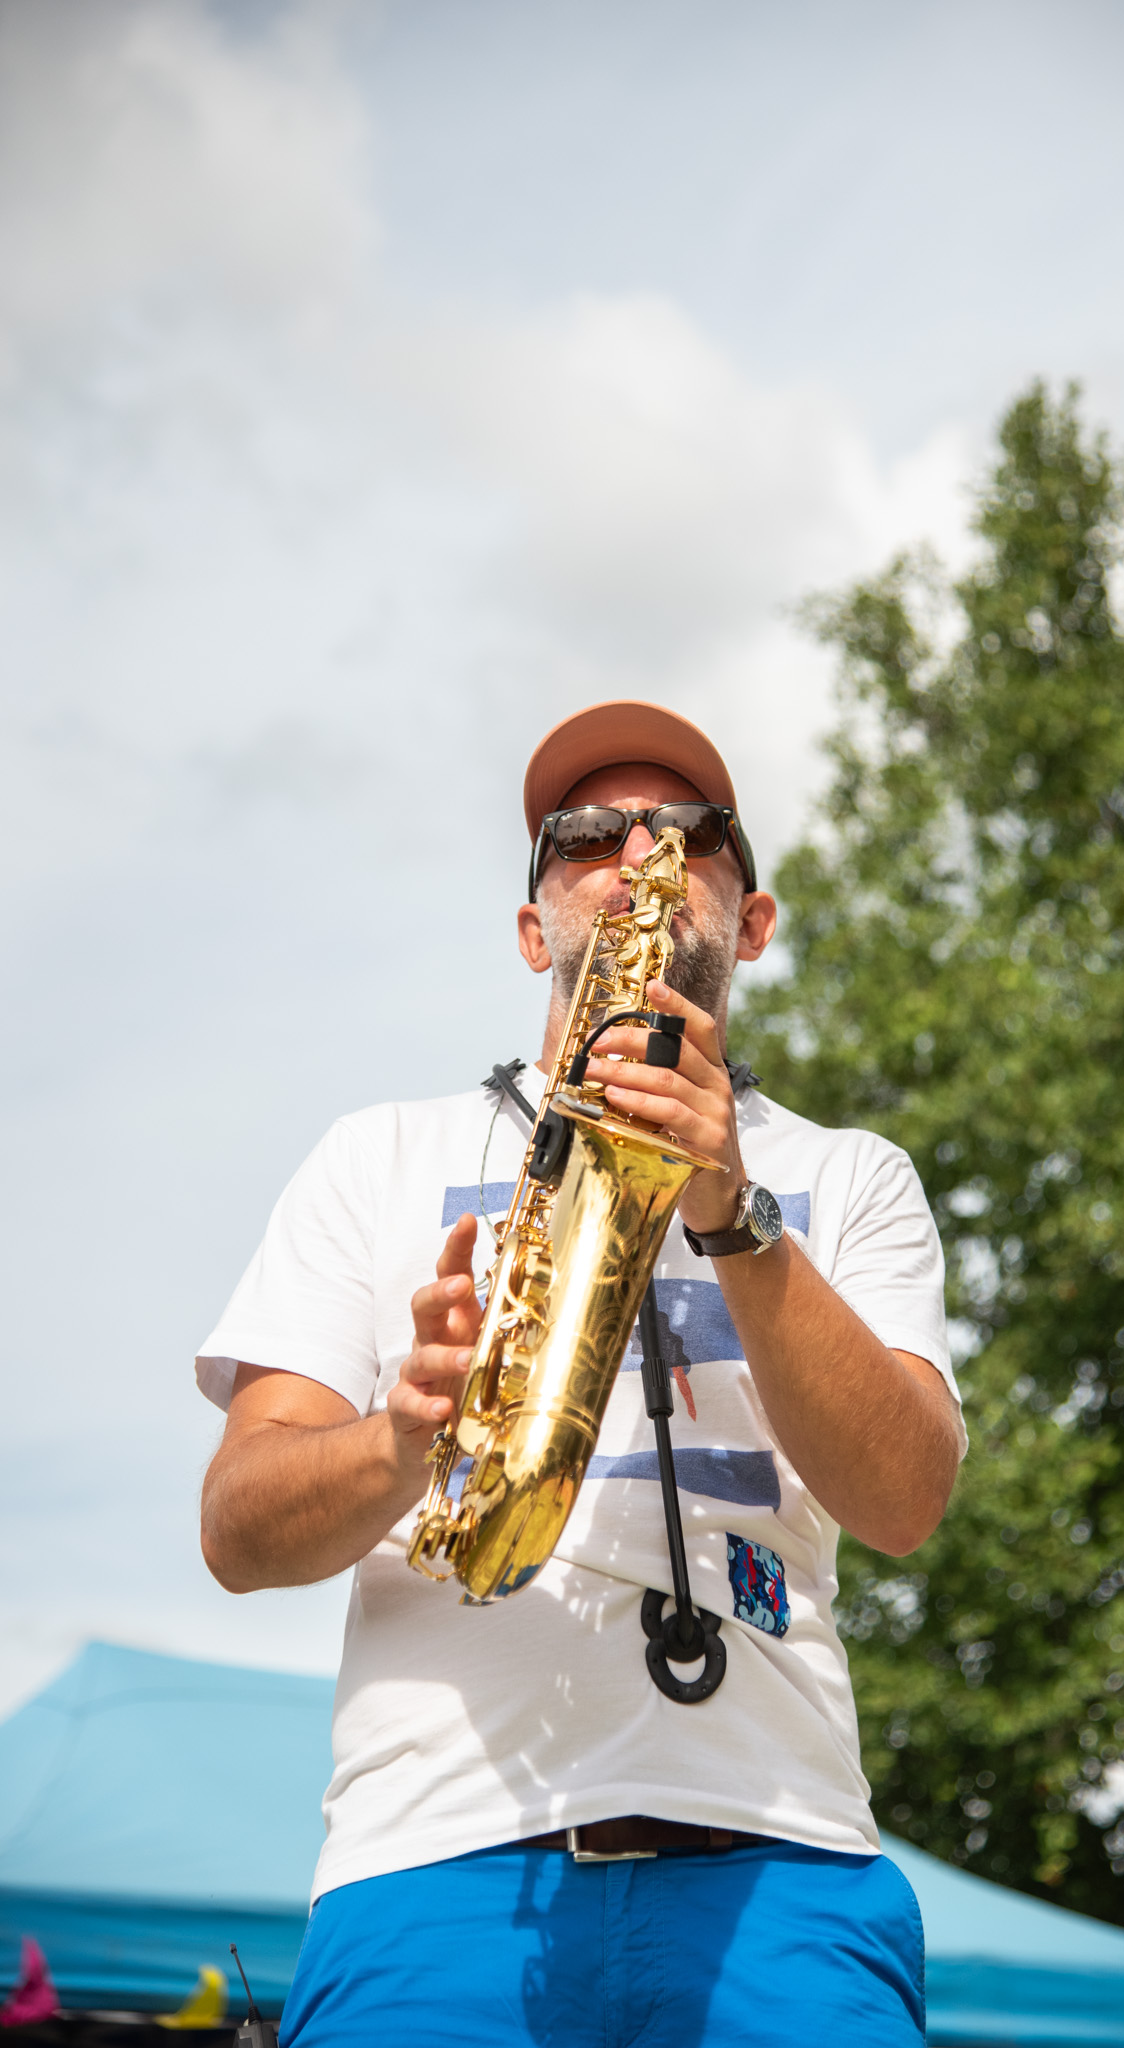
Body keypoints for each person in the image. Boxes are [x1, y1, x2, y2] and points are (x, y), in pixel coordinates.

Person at [198, 700, 966, 2048]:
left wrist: (733, 1209)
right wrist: (398, 1437)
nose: (636, 852)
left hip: (781, 1862)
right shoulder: (373, 1157)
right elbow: (238, 1531)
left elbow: (906, 1500)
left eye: (687, 830)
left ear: (753, 919)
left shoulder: (853, 1175)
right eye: (587, 834)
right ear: (531, 925)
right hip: (435, 1869)